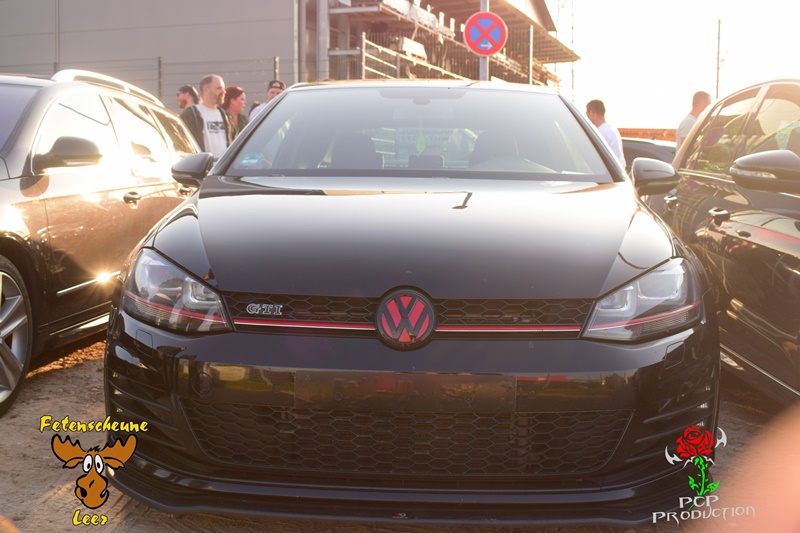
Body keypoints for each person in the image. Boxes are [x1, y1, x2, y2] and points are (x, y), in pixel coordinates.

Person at [180, 74, 235, 159]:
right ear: (206, 89)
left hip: (223, 166)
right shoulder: (192, 114)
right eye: (219, 88)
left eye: (223, 88)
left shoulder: (226, 116)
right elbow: (183, 142)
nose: (224, 92)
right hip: (201, 166)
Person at [586, 99, 625, 168]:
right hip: (617, 170)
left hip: (609, 172)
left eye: (587, 113)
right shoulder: (613, 129)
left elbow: (595, 159)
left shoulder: (600, 132)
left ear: (591, 112)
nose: (586, 116)